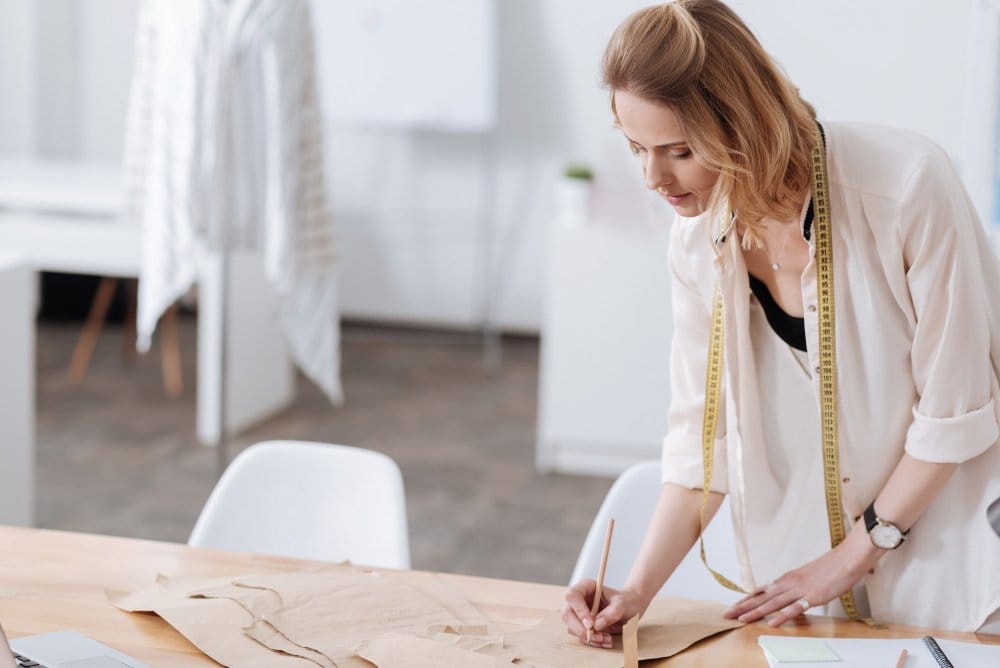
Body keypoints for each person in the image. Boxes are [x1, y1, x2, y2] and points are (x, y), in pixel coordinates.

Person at [562, 0, 1000, 647]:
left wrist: (850, 557)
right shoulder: (696, 245)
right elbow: (700, 441)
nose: (654, 177)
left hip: (956, 568)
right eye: (637, 148)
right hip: (821, 598)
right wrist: (635, 591)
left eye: (679, 151)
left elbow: (955, 410)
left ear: (743, 125)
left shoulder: (905, 187)